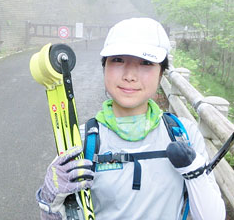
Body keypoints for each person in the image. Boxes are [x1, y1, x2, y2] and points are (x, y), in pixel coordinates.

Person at [35, 18, 226, 220]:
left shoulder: (183, 135)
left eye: (145, 63)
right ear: (104, 67)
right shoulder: (79, 141)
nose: (130, 75)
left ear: (161, 73)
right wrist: (50, 201)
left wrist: (194, 171)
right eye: (118, 60)